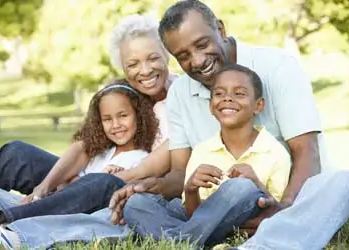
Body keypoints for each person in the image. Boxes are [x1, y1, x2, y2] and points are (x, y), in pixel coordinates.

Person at [0, 2, 349, 250]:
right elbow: (176, 173)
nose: (199, 61)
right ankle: (12, 232)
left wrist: (281, 210)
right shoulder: (183, 92)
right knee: (134, 205)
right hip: (205, 206)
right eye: (184, 56)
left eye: (203, 44)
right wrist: (140, 187)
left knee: (340, 183)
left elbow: (308, 154)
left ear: (220, 29)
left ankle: (271, 239)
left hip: (278, 196)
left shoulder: (277, 66)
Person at [0, 14, 174, 203]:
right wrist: (46, 186)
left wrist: (94, 180)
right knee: (16, 155)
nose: (145, 70)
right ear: (123, 67)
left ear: (167, 54)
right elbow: (85, 145)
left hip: (128, 189)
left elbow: (157, 167)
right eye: (133, 64)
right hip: (91, 178)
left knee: (93, 184)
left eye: (153, 58)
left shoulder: (183, 96)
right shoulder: (123, 94)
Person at [123, 64, 292, 247]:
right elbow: (193, 213)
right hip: (201, 221)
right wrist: (190, 189)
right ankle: (188, 241)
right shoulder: (203, 150)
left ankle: (181, 241)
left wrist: (255, 184)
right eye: (219, 94)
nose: (227, 98)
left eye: (239, 93)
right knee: (136, 203)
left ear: (258, 106)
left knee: (242, 187)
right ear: (211, 106)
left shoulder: (274, 152)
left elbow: (278, 212)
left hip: (243, 219)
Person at [0, 79, 159, 225]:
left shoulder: (142, 158)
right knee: (18, 152)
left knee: (104, 181)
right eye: (107, 119)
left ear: (139, 115)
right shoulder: (101, 151)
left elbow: (98, 190)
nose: (116, 125)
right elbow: (71, 179)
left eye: (123, 116)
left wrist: (81, 181)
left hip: (88, 206)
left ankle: (2, 221)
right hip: (60, 194)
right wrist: (68, 181)